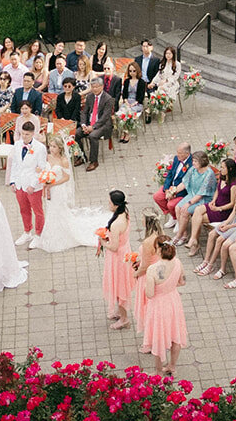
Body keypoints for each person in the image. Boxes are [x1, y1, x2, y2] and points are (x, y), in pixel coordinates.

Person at [30, 130, 111, 253]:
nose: (51, 149)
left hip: (57, 189)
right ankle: (52, 233)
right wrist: (43, 177)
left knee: (58, 211)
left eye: (54, 147)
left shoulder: (63, 160)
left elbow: (66, 177)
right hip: (48, 189)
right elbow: (42, 168)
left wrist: (52, 183)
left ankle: (64, 233)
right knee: (50, 211)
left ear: (60, 147)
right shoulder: (48, 157)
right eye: (50, 146)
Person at [144, 239, 188, 376]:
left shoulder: (152, 269)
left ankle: (158, 371)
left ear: (158, 250)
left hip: (159, 305)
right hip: (174, 301)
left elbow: (150, 294)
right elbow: (182, 282)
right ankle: (172, 366)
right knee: (176, 334)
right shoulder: (178, 262)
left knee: (158, 337)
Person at [6, 117, 48, 249]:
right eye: (23, 134)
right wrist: (12, 181)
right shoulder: (18, 144)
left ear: (33, 133)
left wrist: (33, 185)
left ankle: (38, 234)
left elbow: (41, 168)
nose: (24, 136)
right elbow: (15, 165)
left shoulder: (40, 148)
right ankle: (27, 231)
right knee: (24, 209)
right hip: (19, 183)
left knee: (38, 211)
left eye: (27, 134)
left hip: (32, 185)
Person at [196, 181, 236, 277]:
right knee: (211, 234)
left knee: (219, 240)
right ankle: (206, 260)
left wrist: (229, 226)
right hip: (233, 220)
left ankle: (211, 265)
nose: (235, 193)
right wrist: (225, 223)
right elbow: (234, 213)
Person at [187, 157, 236, 251]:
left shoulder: (233, 185)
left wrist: (219, 209)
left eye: (223, 167)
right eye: (221, 167)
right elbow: (217, 191)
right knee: (197, 210)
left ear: (230, 169)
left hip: (223, 211)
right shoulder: (222, 178)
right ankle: (193, 239)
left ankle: (195, 243)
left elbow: (232, 203)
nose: (221, 169)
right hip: (216, 204)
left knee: (198, 218)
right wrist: (213, 201)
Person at [101, 190, 132, 328]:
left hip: (118, 258)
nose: (108, 204)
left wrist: (102, 243)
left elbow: (113, 247)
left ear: (115, 205)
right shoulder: (125, 213)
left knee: (120, 287)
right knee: (120, 285)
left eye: (110, 202)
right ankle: (120, 313)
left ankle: (124, 319)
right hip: (124, 251)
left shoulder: (116, 224)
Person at [131, 212, 162, 351]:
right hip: (158, 274)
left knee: (146, 309)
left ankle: (149, 343)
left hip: (148, 277)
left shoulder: (148, 241)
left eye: (143, 218)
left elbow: (145, 266)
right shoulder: (160, 235)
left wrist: (135, 273)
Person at [173, 151, 216, 242]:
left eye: (195, 161)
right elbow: (184, 183)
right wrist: (173, 191)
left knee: (185, 211)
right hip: (193, 194)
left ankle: (178, 235)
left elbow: (201, 193)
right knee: (177, 207)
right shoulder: (193, 169)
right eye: (193, 161)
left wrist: (189, 203)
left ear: (202, 161)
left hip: (204, 198)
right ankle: (184, 234)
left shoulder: (209, 174)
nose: (193, 163)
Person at [75, 75, 114, 171]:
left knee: (93, 136)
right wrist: (83, 124)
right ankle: (81, 156)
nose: (95, 89)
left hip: (103, 124)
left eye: (97, 87)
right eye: (93, 87)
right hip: (89, 123)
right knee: (76, 133)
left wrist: (93, 127)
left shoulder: (108, 99)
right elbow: (84, 112)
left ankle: (94, 161)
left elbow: (105, 117)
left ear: (102, 87)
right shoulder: (90, 97)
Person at [154, 143, 192, 221]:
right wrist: (167, 189)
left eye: (180, 153)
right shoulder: (176, 159)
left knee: (171, 204)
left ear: (187, 154)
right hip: (171, 187)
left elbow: (187, 184)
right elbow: (170, 174)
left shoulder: (191, 165)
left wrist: (173, 193)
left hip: (182, 191)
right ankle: (172, 215)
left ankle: (177, 218)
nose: (177, 155)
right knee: (157, 197)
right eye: (177, 152)